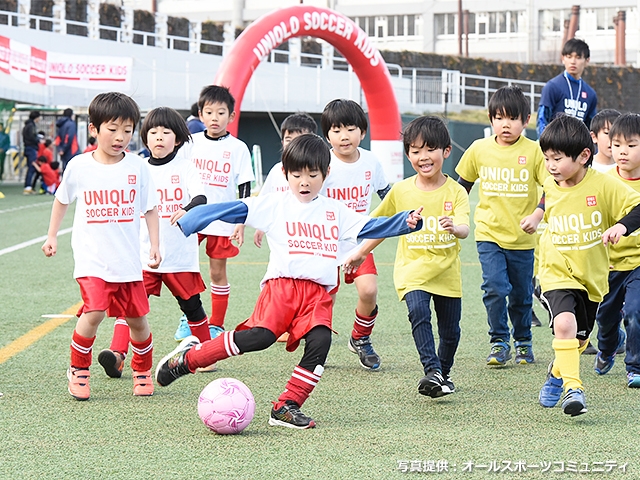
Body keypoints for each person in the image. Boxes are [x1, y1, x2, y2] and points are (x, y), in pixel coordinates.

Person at [154, 134, 424, 429]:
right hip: (282, 287)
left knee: (321, 341)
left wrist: (405, 221)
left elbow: (370, 226)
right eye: (296, 175)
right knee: (261, 337)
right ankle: (189, 359)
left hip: (318, 293)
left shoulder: (336, 212)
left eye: (312, 175)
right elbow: (233, 209)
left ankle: (286, 406)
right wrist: (194, 218)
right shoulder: (275, 204)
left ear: (326, 174)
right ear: (286, 174)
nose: (304, 181)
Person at [41, 92, 160, 401]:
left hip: (128, 263)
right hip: (92, 260)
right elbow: (61, 200)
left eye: (128, 129)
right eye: (113, 128)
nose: (120, 137)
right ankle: (79, 370)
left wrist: (155, 246)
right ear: (93, 129)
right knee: (93, 312)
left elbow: (149, 209)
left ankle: (142, 371)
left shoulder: (138, 167)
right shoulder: (79, 166)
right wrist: (51, 236)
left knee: (138, 321)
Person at [343, 116, 469, 397]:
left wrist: (454, 227)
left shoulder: (456, 191)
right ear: (408, 154)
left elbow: (465, 228)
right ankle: (431, 370)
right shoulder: (401, 191)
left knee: (451, 333)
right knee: (418, 311)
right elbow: (380, 226)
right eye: (415, 150)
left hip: (447, 272)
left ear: (446, 151)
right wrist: (360, 253)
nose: (423, 157)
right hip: (412, 270)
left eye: (430, 149)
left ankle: (442, 374)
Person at [537, 114, 640, 416]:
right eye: (546, 159)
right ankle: (573, 388)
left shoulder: (604, 185)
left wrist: (622, 226)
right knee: (564, 324)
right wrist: (535, 215)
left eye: (557, 159)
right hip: (556, 271)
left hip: (592, 279)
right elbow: (546, 200)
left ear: (583, 156)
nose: (551, 166)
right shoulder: (550, 181)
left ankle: (557, 371)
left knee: (580, 339)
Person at [98, 106, 210, 379]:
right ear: (145, 137)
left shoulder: (186, 167)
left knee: (191, 305)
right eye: (153, 131)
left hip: (178, 253)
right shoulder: (135, 166)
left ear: (178, 140)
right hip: (143, 253)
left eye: (166, 132)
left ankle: (207, 353)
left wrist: (187, 208)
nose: (159, 136)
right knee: (129, 306)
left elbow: (201, 198)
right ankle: (118, 355)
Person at [455, 86, 547, 366]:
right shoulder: (479, 149)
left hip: (522, 239)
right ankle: (498, 341)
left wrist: (537, 214)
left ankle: (523, 341)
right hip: (488, 235)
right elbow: (462, 187)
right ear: (490, 118)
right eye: (499, 117)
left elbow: (551, 188)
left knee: (520, 295)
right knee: (494, 287)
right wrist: (453, 215)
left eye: (512, 118)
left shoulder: (534, 152)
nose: (505, 124)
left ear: (526, 119)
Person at [320, 99, 390, 371]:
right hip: (325, 243)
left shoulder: (371, 161)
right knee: (326, 298)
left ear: (363, 131)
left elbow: (387, 196)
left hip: (360, 241)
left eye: (350, 128)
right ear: (327, 135)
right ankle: (319, 345)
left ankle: (360, 338)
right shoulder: (322, 161)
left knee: (369, 290)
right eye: (336, 130)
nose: (344, 136)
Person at [184, 85, 254, 345]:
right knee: (185, 268)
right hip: (193, 215)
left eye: (221, 112)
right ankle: (191, 316)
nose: (215, 118)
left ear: (231, 117)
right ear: (200, 115)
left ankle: (216, 323)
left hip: (222, 219)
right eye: (209, 112)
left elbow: (245, 185)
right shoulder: (190, 143)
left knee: (216, 272)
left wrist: (241, 221)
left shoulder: (238, 148)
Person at [590, 113, 640, 387]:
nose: (622, 151)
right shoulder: (604, 180)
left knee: (635, 311)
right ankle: (609, 346)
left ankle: (635, 366)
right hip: (609, 265)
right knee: (605, 318)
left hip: (638, 265)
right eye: (617, 144)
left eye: (631, 145)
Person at [254, 112, 318, 248]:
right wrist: (260, 227)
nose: (294, 144)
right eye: (289, 139)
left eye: (300, 139)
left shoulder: (318, 173)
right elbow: (264, 200)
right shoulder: (276, 171)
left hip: (309, 238)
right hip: (281, 239)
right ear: (282, 142)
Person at [537, 38, 597, 137]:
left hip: (577, 148)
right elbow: (542, 119)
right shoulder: (552, 86)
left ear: (587, 60)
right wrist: (545, 146)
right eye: (569, 57)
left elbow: (591, 127)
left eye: (578, 57)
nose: (573, 61)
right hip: (554, 146)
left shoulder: (590, 94)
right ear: (563, 58)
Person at [22, 110, 40, 195]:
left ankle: (28, 186)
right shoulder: (31, 126)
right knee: (32, 167)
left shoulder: (27, 125)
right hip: (31, 148)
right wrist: (39, 139)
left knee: (31, 167)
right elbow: (33, 137)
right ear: (36, 118)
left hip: (28, 148)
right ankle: (28, 186)